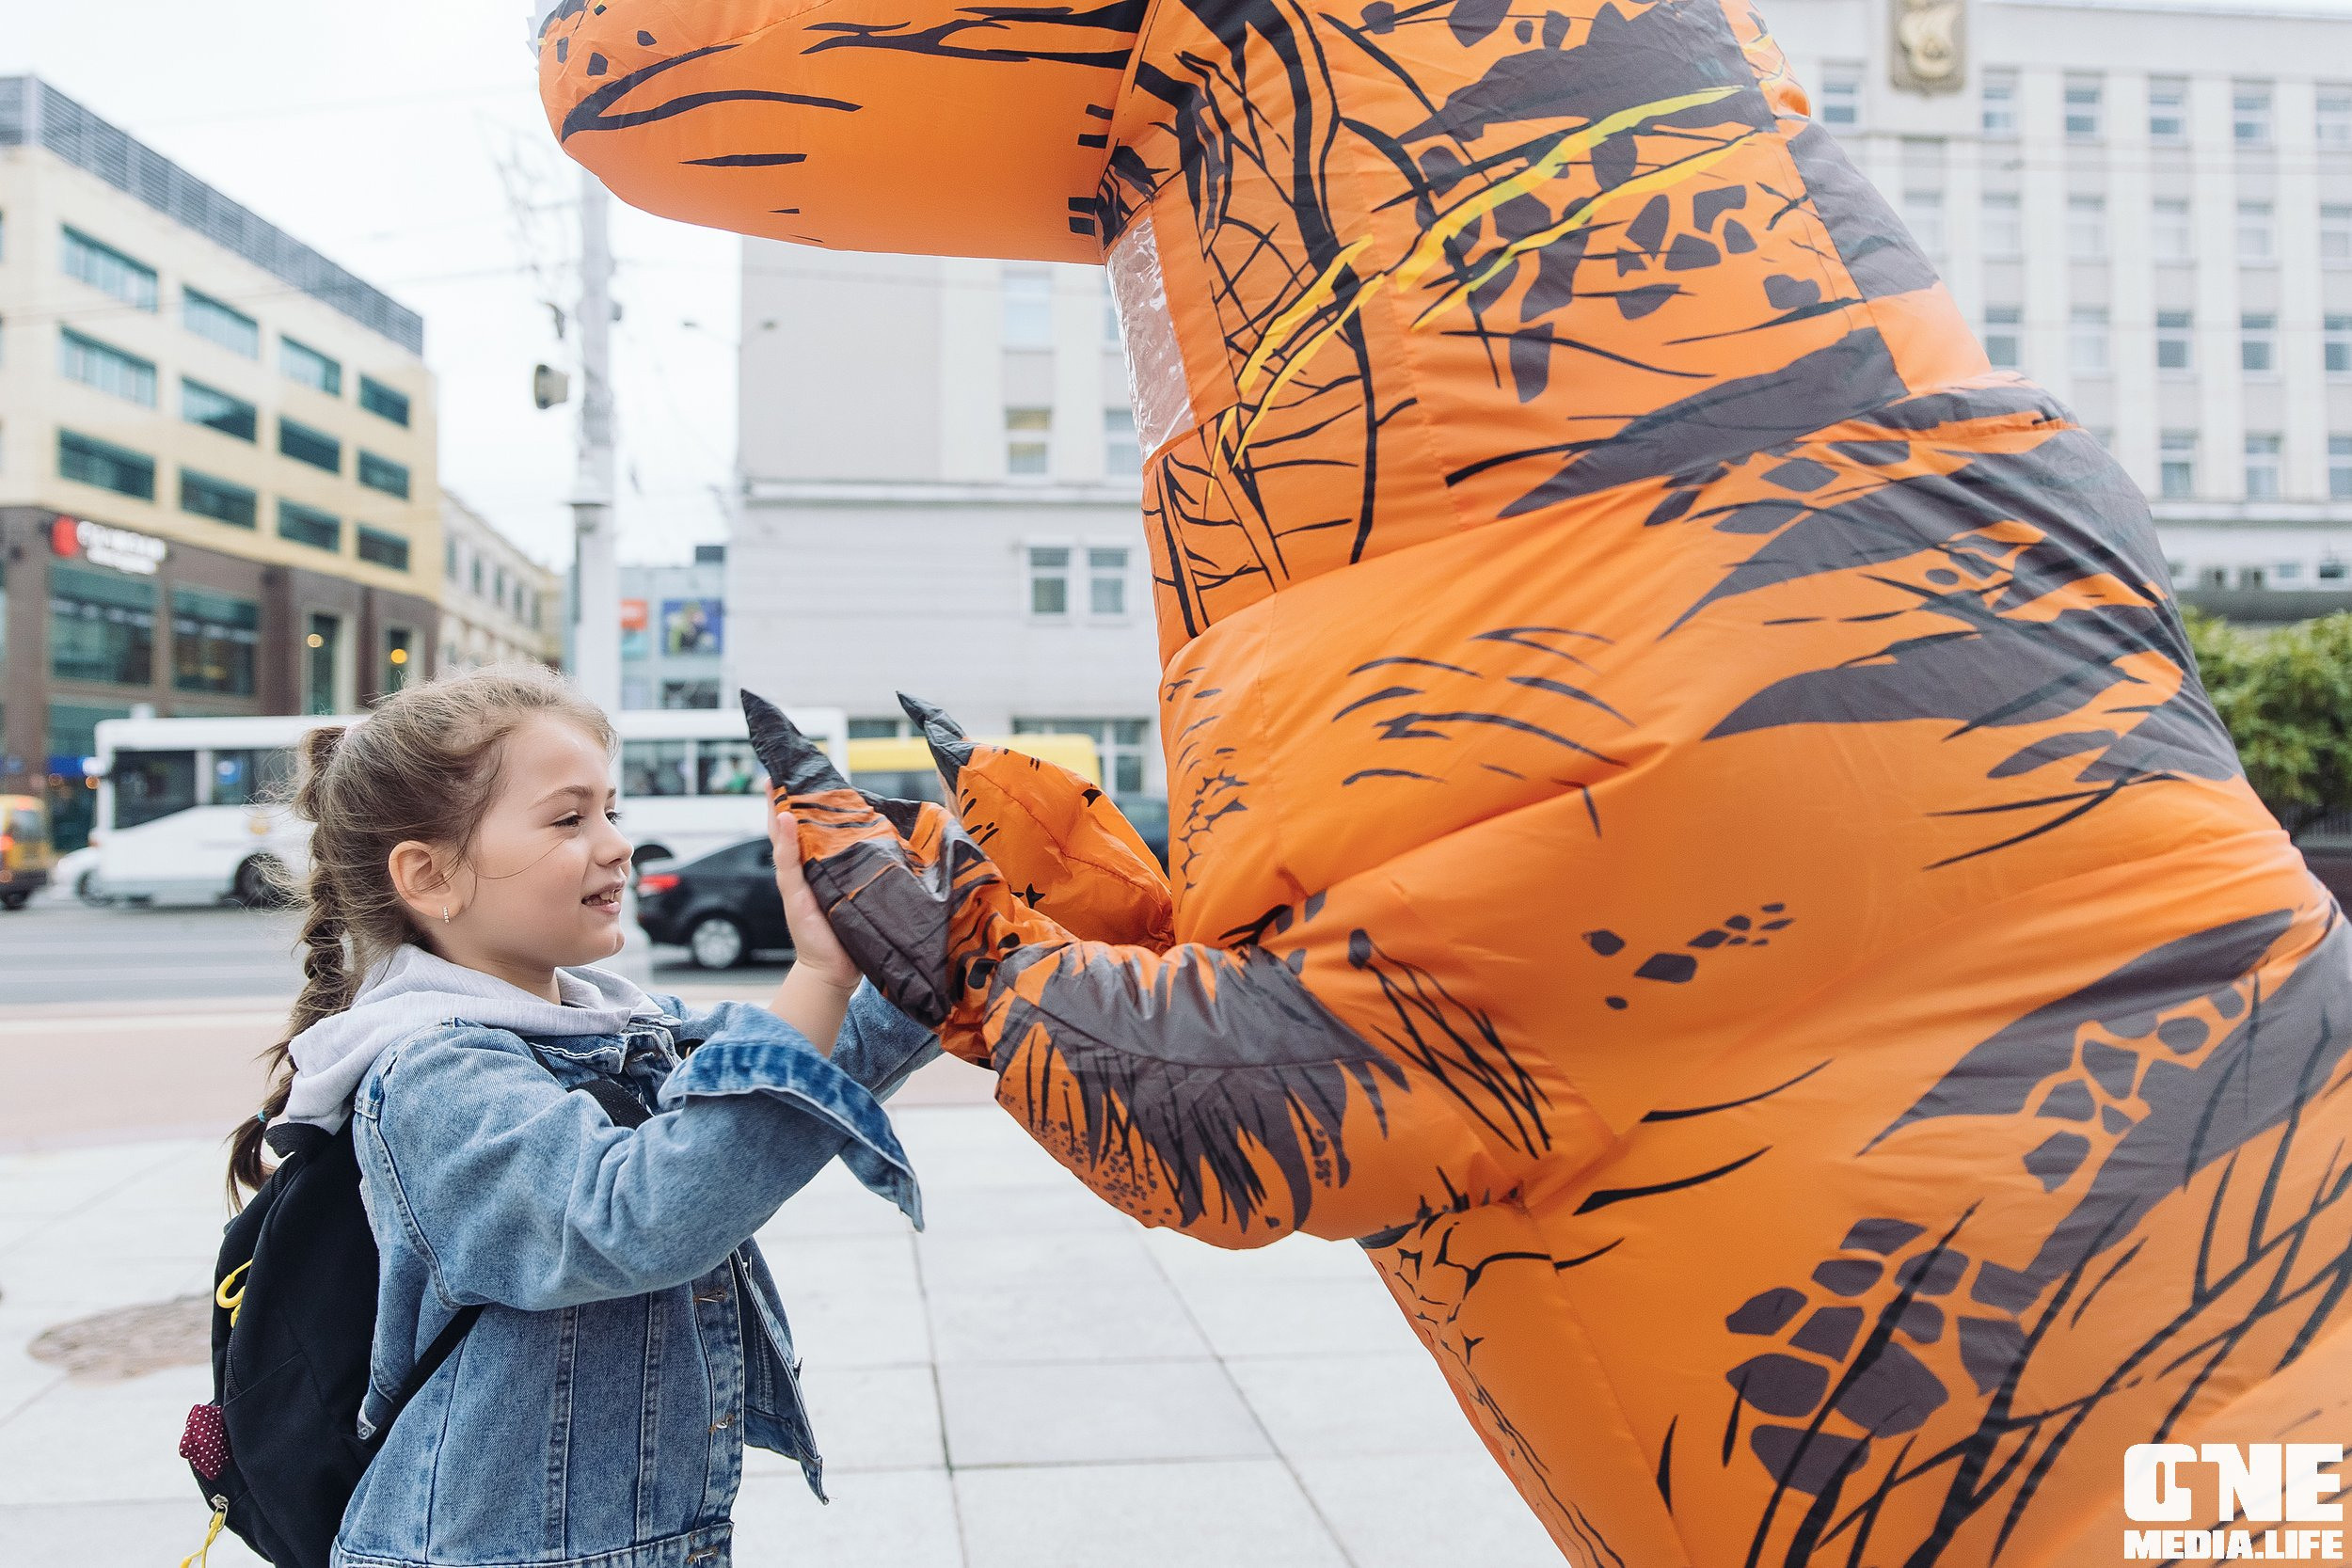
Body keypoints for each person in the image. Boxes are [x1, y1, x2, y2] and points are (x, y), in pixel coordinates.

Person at [224, 664, 938, 1568]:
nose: (617, 844)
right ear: (430, 875)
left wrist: (960, 941)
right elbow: (630, 1216)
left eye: (611, 810)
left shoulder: (620, 1024)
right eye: (569, 819)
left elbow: (814, 1055)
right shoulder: (431, 1073)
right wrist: (821, 974)